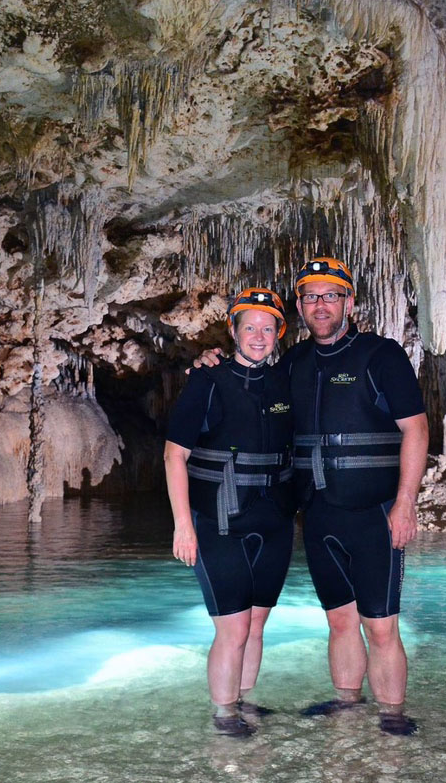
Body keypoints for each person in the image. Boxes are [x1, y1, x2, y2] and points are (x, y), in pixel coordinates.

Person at [195, 257, 428, 736]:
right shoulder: (294, 363)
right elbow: (248, 376)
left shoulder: (381, 356)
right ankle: (348, 705)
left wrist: (406, 502)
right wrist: (208, 361)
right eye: (311, 297)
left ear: (349, 301)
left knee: (380, 626)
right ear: (300, 306)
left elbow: (417, 429)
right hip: (318, 516)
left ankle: (392, 716)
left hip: (375, 511)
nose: (321, 305)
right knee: (340, 622)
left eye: (331, 295)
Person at [164, 288, 296, 738]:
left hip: (273, 520)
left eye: (266, 327)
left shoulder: (285, 381)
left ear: (278, 333)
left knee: (257, 623)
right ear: (233, 330)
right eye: (249, 327)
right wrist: (183, 526)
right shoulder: (208, 378)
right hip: (219, 519)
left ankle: (245, 702)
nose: (257, 336)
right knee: (233, 627)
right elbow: (173, 455)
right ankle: (223, 715)